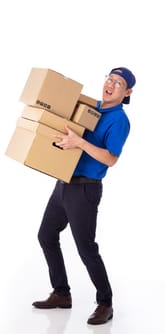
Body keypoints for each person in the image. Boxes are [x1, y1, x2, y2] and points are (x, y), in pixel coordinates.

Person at [32, 67, 136, 325]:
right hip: (64, 182)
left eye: (118, 83)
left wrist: (80, 143)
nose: (110, 85)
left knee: (86, 247)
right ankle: (61, 293)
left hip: (86, 189)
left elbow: (110, 159)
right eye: (109, 79)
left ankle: (105, 302)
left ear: (128, 92)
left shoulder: (119, 119)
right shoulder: (91, 107)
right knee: (46, 234)